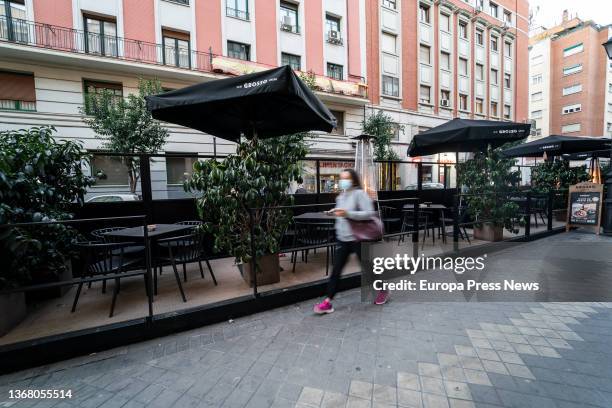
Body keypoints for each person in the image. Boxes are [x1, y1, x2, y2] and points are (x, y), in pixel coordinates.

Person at [314, 169, 389, 314]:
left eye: (346, 178)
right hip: (343, 239)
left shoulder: (359, 194)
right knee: (336, 271)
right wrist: (334, 211)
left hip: (358, 238)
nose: (343, 181)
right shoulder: (341, 197)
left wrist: (348, 213)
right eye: (341, 178)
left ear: (353, 180)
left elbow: (368, 213)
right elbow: (342, 212)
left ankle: (383, 290)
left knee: (368, 268)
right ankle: (328, 302)